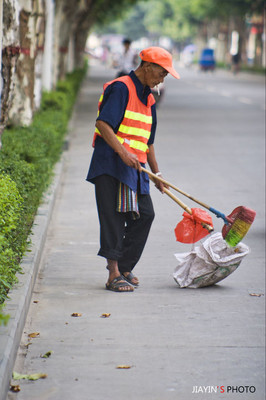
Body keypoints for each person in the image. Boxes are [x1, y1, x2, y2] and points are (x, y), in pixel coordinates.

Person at [86, 46, 180, 292]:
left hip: (135, 168)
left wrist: (158, 175)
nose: (163, 78)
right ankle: (113, 274)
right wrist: (122, 152)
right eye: (161, 72)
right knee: (113, 219)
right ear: (147, 66)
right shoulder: (121, 88)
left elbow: (148, 142)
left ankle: (125, 266)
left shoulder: (150, 98)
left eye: (166, 75)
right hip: (111, 163)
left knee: (145, 215)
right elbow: (103, 124)